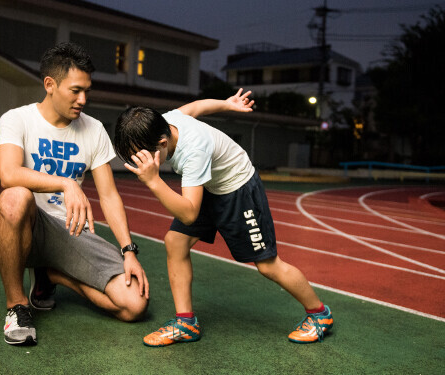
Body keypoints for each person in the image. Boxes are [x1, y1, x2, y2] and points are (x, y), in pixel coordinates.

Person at [113, 89, 333, 346]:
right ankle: (186, 323)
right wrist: (227, 104)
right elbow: (196, 106)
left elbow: (189, 212)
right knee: (176, 241)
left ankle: (319, 314)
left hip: (238, 189)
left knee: (268, 264)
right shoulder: (167, 121)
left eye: (142, 157)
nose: (140, 163)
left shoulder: (194, 151)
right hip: (210, 186)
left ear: (162, 143)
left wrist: (153, 181)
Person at [0, 42, 149, 346]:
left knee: (134, 305)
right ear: (50, 84)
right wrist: (66, 182)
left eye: (87, 91)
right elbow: (8, 174)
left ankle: (50, 275)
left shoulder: (94, 129)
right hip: (29, 227)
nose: (83, 99)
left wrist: (129, 250)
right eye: (75, 90)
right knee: (14, 197)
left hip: (71, 232)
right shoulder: (17, 119)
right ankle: (17, 306)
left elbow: (109, 196)